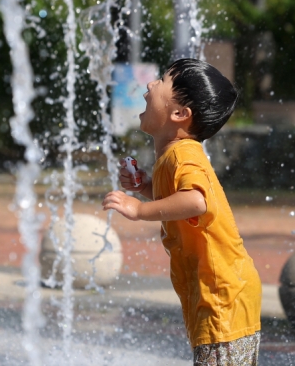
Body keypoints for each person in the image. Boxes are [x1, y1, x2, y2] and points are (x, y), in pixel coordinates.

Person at [102, 58, 262, 365]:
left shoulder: (183, 154)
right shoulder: (174, 157)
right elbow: (183, 203)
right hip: (220, 294)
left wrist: (139, 209)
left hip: (222, 298)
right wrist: (147, 186)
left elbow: (196, 202)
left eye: (161, 81)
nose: (150, 84)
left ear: (179, 114)